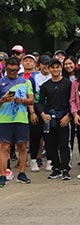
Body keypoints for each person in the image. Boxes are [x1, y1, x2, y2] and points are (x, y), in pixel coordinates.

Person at [0, 57, 35, 187]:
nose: (12, 73)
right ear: (6, 69)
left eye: (15, 70)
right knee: (4, 147)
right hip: (4, 119)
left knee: (22, 146)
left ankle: (22, 173)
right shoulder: (1, 82)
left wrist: (22, 100)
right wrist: (3, 100)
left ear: (18, 69)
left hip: (21, 118)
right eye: (10, 70)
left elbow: (31, 100)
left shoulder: (26, 82)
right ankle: (2, 174)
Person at [36, 59, 72, 180]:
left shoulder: (68, 84)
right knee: (50, 145)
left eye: (57, 67)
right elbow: (40, 102)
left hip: (64, 117)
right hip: (49, 118)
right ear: (49, 69)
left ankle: (66, 168)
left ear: (61, 68)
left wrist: (68, 115)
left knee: (64, 144)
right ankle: (56, 168)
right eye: (53, 67)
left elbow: (72, 101)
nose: (55, 70)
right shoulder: (46, 86)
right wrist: (42, 114)